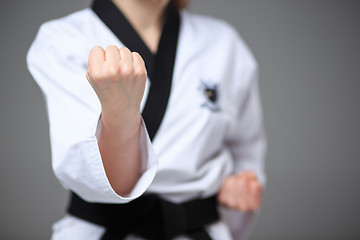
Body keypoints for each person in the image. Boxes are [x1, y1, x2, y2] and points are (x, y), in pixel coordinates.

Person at [27, 0, 266, 239]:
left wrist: (240, 189)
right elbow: (108, 183)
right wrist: (120, 111)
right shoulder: (64, 38)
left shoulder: (223, 43)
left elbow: (246, 152)